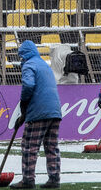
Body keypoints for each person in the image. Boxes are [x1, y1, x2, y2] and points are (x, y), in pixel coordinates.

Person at [11, 40, 62, 189]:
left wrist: (23, 103)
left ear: (24, 55)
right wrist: (23, 115)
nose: (21, 60)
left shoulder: (29, 65)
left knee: (29, 147)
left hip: (39, 112)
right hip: (55, 111)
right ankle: (54, 179)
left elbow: (28, 85)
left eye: (21, 56)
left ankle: (28, 180)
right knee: (51, 146)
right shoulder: (44, 66)